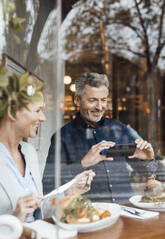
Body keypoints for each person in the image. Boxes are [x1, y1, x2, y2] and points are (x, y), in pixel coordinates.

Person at [43, 72, 157, 203]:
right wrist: (82, 164)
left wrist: (148, 160)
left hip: (126, 211)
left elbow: (150, 174)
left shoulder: (119, 129)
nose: (99, 107)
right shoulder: (62, 137)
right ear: (77, 100)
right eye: (92, 100)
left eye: (103, 100)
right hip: (88, 215)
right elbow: (48, 185)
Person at [0, 69, 95, 222]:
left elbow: (39, 212)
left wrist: (69, 192)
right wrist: (14, 219)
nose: (43, 118)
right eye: (37, 110)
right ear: (12, 112)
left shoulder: (29, 153)